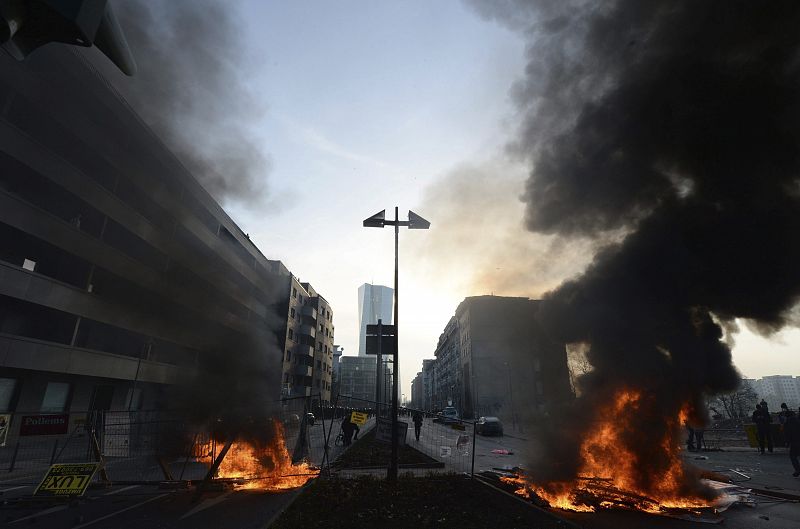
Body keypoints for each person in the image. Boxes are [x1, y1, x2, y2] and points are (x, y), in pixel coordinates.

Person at [785, 406, 800, 477]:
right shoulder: (797, 420)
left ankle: (797, 470)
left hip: (794, 441)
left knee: (793, 456)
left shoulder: (788, 422)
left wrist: (787, 442)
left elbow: (788, 433)